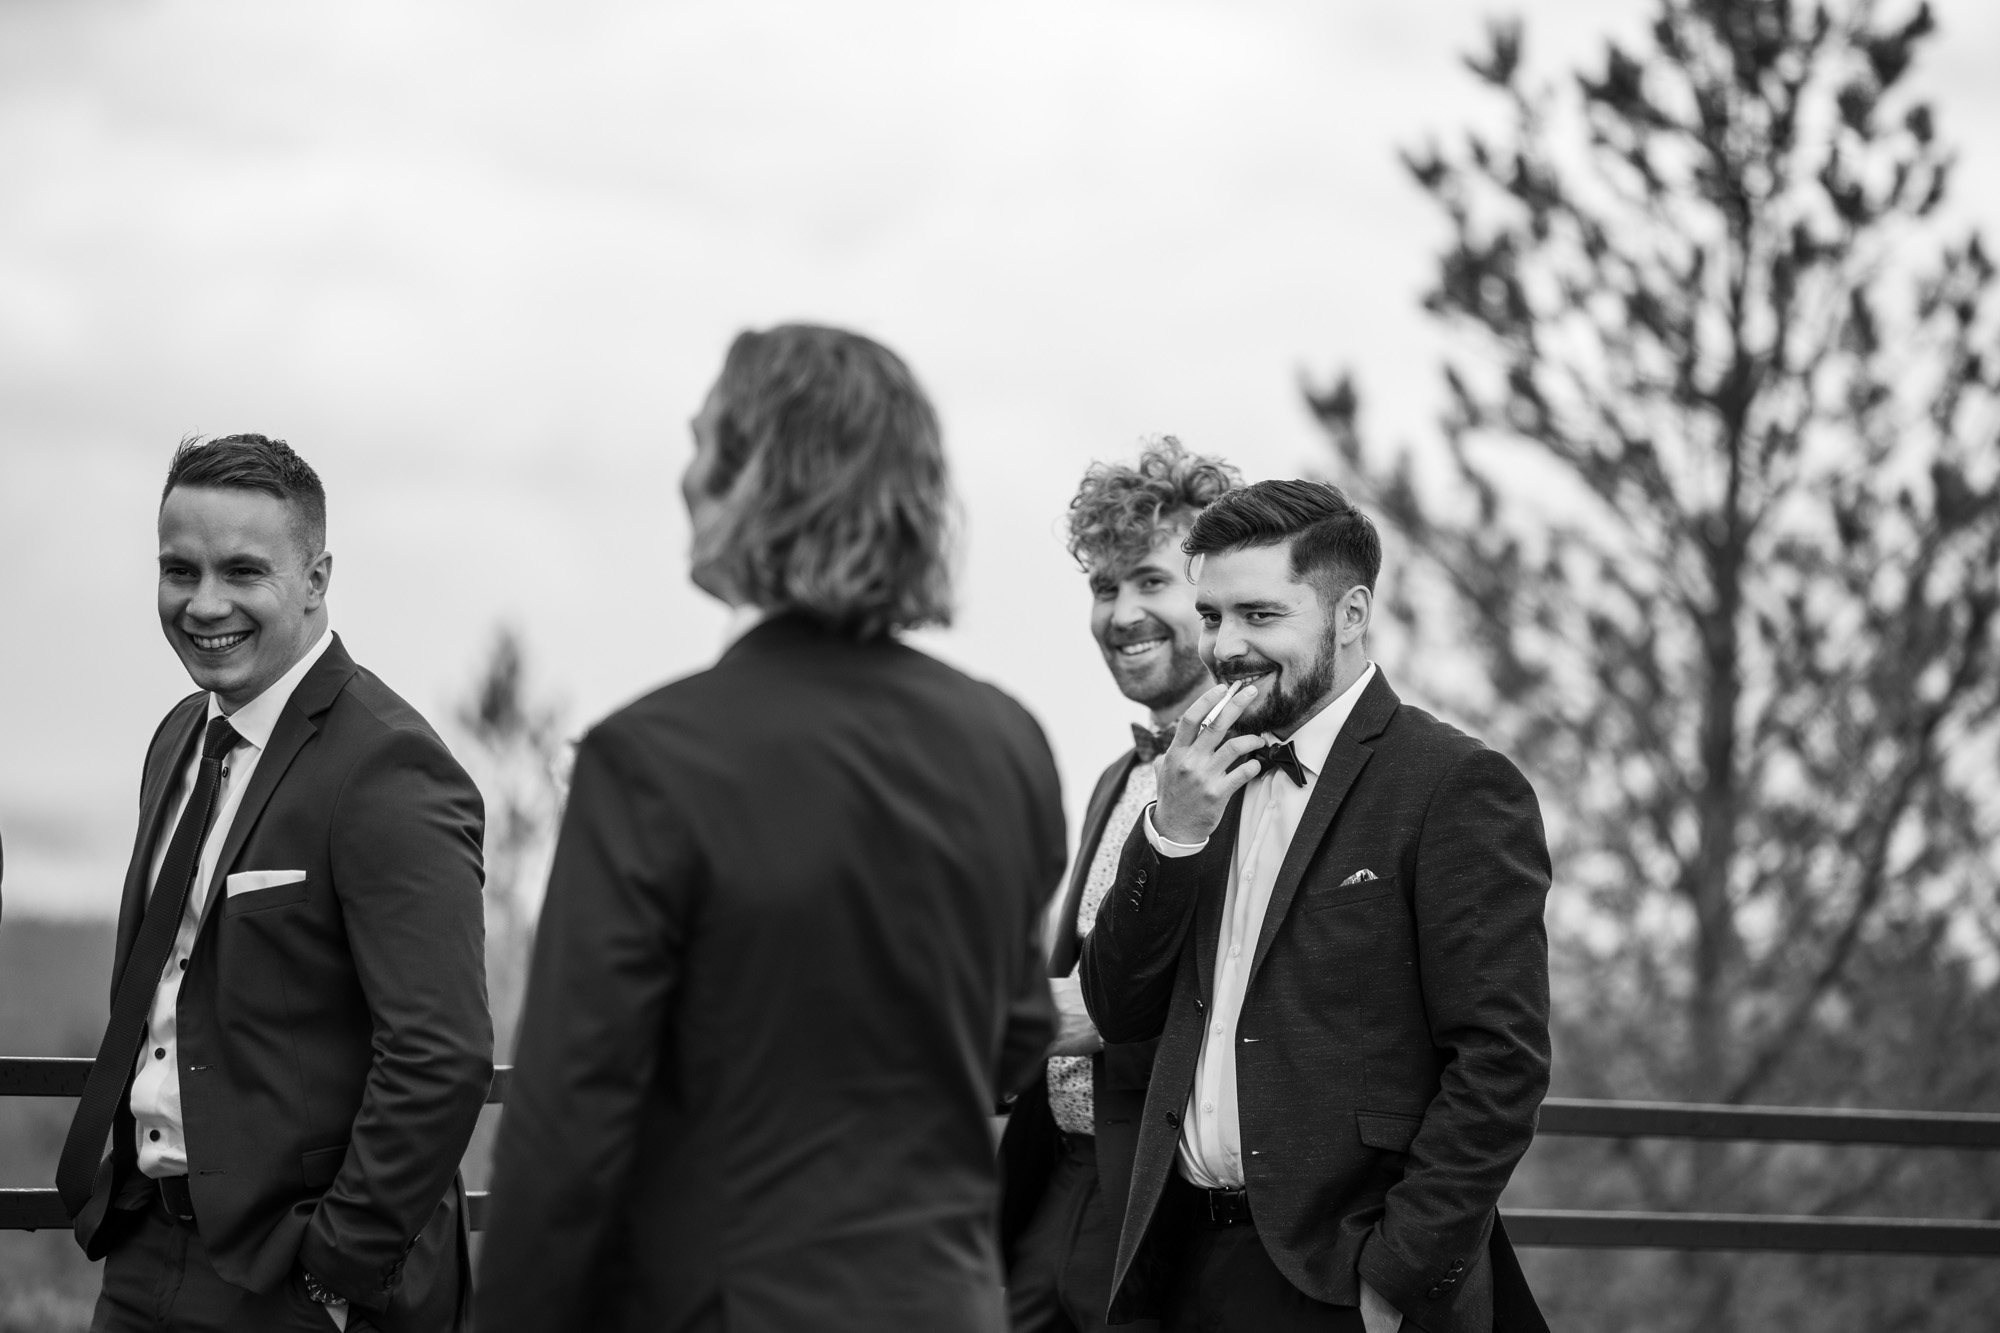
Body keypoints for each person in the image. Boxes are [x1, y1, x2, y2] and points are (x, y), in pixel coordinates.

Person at [475, 324, 1065, 1333]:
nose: (683, 477)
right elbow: (1014, 1038)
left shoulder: (651, 758)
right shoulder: (1007, 740)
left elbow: (567, 1121)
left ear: (754, 478)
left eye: (702, 442)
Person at [1080, 480, 1551, 1333]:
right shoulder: (1200, 777)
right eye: (1213, 615)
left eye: (1260, 616)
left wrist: (1397, 1275)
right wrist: (1170, 833)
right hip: (1179, 1265)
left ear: (1350, 613)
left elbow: (1500, 1062)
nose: (1226, 646)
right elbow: (1119, 1007)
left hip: (1342, 1280)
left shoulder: (1455, 784)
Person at [56, 435, 492, 1332]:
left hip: (295, 1281)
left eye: (243, 571)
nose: (204, 602)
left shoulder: (388, 765)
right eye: (180, 570)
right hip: (141, 1256)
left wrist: (335, 1270)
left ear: (316, 578)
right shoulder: (179, 737)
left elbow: (439, 1055)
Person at [999, 437, 1238, 1333]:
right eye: (1105, 588)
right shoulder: (1114, 776)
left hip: (1157, 1193)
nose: (1123, 613)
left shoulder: (1257, 773)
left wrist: (1062, 1012)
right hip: (1054, 1179)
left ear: (1214, 597)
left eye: (1150, 581)